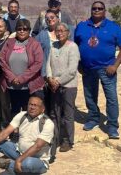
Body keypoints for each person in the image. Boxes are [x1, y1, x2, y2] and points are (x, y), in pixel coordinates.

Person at [74, 1, 121, 139]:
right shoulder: (82, 26)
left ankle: (113, 125)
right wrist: (78, 63)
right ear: (91, 10)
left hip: (107, 69)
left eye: (100, 8)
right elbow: (74, 45)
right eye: (94, 8)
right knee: (89, 95)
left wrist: (115, 65)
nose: (96, 10)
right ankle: (93, 118)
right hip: (88, 68)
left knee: (112, 98)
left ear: (105, 11)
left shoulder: (113, 27)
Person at [46, 22, 80, 153]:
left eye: (62, 31)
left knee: (68, 114)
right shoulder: (53, 46)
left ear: (68, 33)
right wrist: (49, 78)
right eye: (57, 31)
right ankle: (55, 138)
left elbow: (72, 70)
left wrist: (58, 81)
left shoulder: (73, 47)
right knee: (54, 113)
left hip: (68, 86)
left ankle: (68, 140)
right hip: (54, 85)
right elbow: (48, 63)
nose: (59, 33)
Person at [0, 19, 44, 116]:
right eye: (19, 29)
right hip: (11, 85)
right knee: (14, 109)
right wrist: (12, 77)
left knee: (28, 110)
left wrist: (21, 78)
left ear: (29, 30)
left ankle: (26, 130)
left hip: (28, 85)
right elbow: (2, 59)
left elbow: (38, 63)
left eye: (25, 29)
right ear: (16, 30)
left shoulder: (35, 44)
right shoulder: (9, 42)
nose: (22, 31)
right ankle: (14, 129)